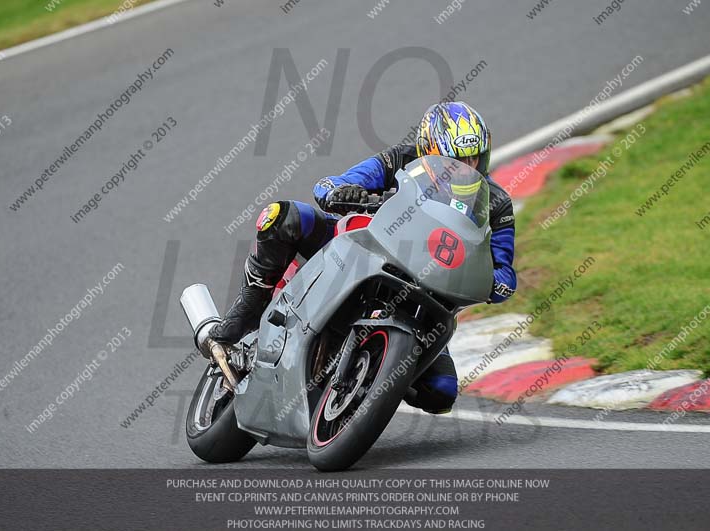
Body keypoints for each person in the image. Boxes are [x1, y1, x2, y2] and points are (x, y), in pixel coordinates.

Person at [209, 101, 516, 414]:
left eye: (472, 159)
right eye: (453, 160)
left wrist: (495, 281)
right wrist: (341, 192)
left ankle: (371, 382)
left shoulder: (496, 203)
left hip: (426, 295)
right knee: (282, 217)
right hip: (367, 248)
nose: (465, 168)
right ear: (428, 151)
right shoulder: (400, 159)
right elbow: (336, 182)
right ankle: (251, 302)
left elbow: (504, 268)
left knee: (441, 393)